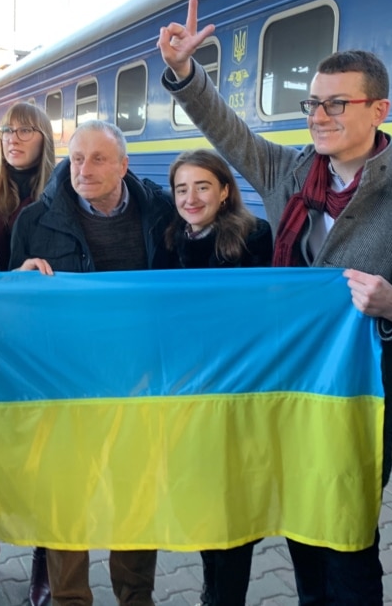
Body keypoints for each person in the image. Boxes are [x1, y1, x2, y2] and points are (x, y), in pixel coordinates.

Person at [158, 0, 392, 604]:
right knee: (298, 529)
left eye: (336, 104)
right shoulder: (289, 174)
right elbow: (228, 131)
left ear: (379, 109)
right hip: (282, 388)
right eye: (313, 103)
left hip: (350, 396)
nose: (319, 116)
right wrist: (186, 71)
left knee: (347, 541)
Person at [9, 119, 175, 606]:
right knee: (67, 495)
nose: (83, 170)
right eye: (77, 159)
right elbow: (11, 305)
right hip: (65, 383)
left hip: (138, 380)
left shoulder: (160, 213)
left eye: (99, 159)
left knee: (135, 495)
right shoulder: (33, 221)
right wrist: (17, 278)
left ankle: (135, 596)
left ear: (124, 165)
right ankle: (70, 599)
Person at [166, 148, 272, 605]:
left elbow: (263, 313)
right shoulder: (169, 238)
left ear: (225, 190)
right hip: (188, 389)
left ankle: (226, 596)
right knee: (204, 495)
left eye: (203, 186)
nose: (191, 198)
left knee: (232, 498)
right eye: (181, 189)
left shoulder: (254, 236)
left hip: (236, 389)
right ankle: (211, 587)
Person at [0, 102, 56, 605]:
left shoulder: (63, 189)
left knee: (45, 452)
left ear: (45, 137)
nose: (14, 138)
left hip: (45, 338)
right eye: (7, 130)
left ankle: (45, 557)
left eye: (26, 130)